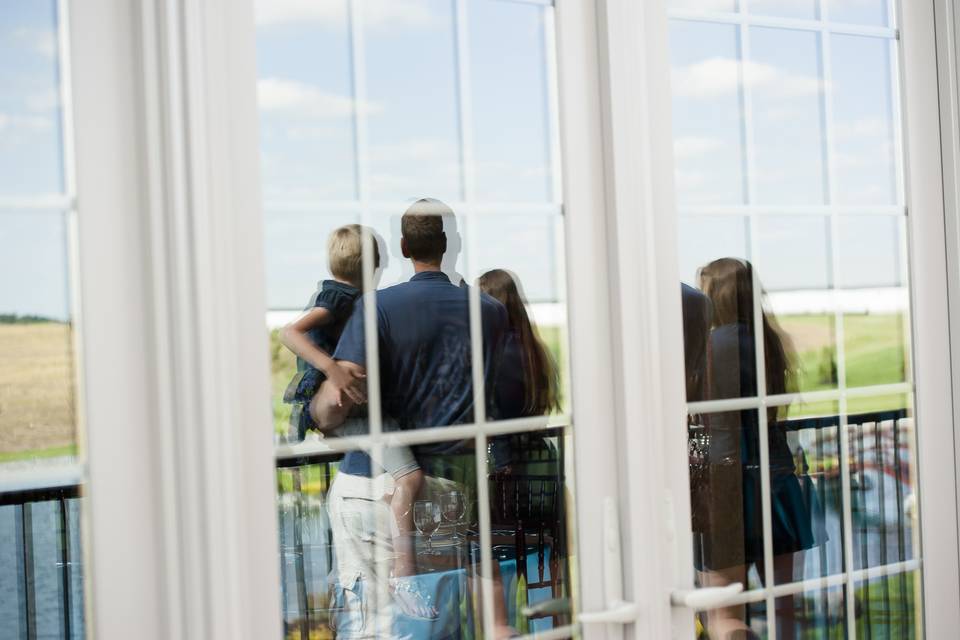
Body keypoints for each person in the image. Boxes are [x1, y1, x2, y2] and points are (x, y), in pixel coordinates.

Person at [313, 199, 512, 639]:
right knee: (433, 624)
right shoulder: (492, 313)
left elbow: (335, 405)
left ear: (404, 246)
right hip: (448, 493)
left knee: (373, 627)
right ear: (451, 244)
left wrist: (318, 406)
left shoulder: (377, 307)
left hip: (373, 486)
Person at [279, 224, 427, 620]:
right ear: (375, 265)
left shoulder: (355, 300)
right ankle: (405, 573)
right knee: (410, 479)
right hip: (348, 411)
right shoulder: (339, 298)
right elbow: (289, 332)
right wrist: (333, 370)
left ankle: (371, 581)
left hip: (353, 414)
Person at [693, 258, 820, 640]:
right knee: (784, 608)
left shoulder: (710, 344)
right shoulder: (771, 343)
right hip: (778, 481)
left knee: (724, 614)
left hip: (726, 485)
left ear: (714, 295)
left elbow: (701, 420)